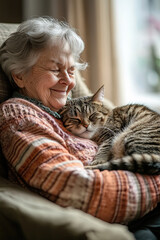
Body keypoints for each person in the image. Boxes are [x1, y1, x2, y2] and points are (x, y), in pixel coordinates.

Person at [0, 16, 160, 240]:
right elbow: (82, 190)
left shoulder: (63, 110)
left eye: (72, 70)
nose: (68, 81)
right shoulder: (19, 115)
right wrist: (157, 179)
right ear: (19, 75)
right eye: (56, 70)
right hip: (132, 214)